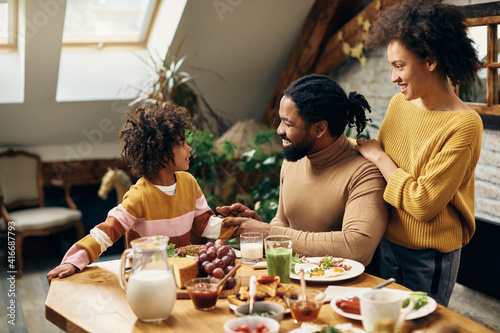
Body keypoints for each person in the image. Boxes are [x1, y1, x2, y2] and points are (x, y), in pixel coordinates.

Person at [355, 0, 483, 306]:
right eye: (391, 67)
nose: (393, 77)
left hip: (429, 257)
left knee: (422, 327)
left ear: (430, 60)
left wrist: (380, 157)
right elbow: (379, 167)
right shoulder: (399, 104)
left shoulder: (464, 125)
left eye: (399, 66)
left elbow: (423, 203)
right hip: (387, 243)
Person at [47, 102, 234, 282]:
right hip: (146, 279)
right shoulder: (139, 196)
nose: (189, 148)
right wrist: (74, 260)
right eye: (182, 143)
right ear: (162, 152)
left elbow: (205, 223)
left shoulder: (189, 183)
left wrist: (241, 225)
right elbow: (107, 232)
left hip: (181, 275)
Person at [217, 74, 389, 267]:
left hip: (342, 291)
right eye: (281, 121)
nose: (279, 130)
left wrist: (271, 234)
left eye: (288, 124)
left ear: (319, 129)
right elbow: (281, 222)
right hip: (296, 281)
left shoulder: (365, 173)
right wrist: (260, 227)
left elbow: (357, 248)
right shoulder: (295, 156)